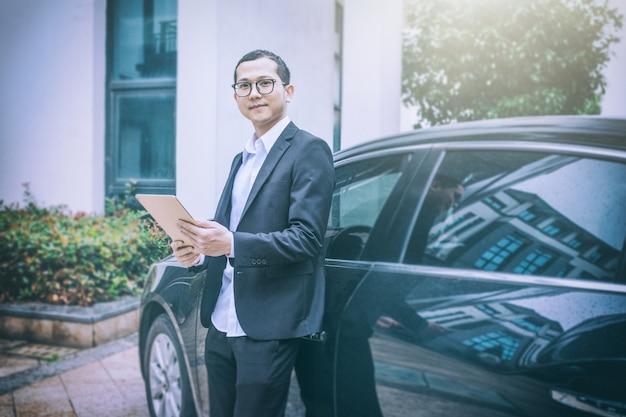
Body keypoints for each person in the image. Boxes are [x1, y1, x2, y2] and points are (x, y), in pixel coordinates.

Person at [171, 50, 335, 417]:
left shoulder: (309, 150)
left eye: (265, 83)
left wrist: (231, 243)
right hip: (221, 318)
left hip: (269, 323)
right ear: (235, 96)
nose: (255, 93)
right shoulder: (241, 157)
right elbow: (227, 234)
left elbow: (307, 239)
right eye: (244, 85)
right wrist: (198, 251)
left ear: (288, 90)